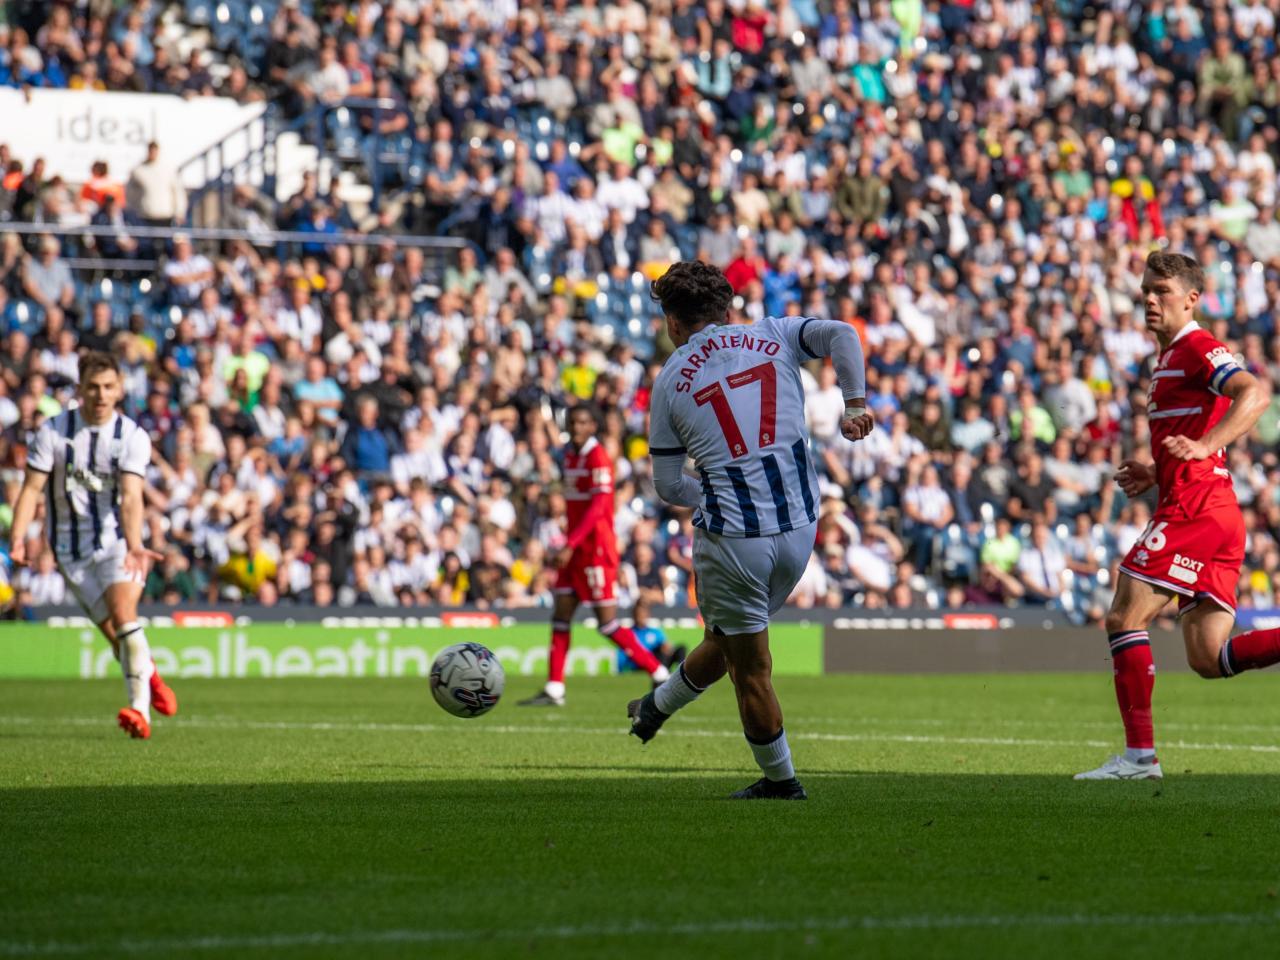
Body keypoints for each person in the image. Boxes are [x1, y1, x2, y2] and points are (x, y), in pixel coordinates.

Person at [629, 260, 871, 799]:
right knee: (730, 639)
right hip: (801, 529)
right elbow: (843, 334)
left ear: (673, 322)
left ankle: (781, 783)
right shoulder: (773, 334)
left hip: (738, 540)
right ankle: (655, 707)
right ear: (728, 307)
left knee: (750, 668)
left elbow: (668, 484)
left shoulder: (670, 379)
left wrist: (716, 491)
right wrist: (855, 403)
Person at [1076, 253, 1271, 781]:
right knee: (1208, 658)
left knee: (1124, 617)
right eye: (1145, 289)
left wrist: (1204, 446)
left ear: (1191, 299)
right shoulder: (1166, 359)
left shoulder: (1197, 346)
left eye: (1161, 290)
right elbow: (1191, 432)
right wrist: (1156, 471)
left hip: (1197, 508)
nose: (1149, 299)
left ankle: (1140, 759)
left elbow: (1254, 393)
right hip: (1213, 510)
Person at [9, 352, 175, 740]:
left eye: (108, 387)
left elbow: (131, 497)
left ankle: (139, 712)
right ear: (80, 389)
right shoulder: (53, 432)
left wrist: (135, 544)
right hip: (69, 551)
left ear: (120, 389)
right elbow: (31, 489)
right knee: (119, 639)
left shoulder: (131, 436)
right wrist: (17, 537)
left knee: (125, 615)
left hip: (116, 541)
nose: (101, 395)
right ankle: (150, 675)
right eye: (93, 387)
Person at [518, 403, 671, 706]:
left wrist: (570, 543)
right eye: (573, 422)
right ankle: (554, 688)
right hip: (575, 550)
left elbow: (599, 507)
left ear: (592, 427)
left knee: (607, 623)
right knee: (561, 615)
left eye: (583, 423)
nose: (577, 427)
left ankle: (659, 672)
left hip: (595, 551)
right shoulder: (570, 455)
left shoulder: (597, 456)